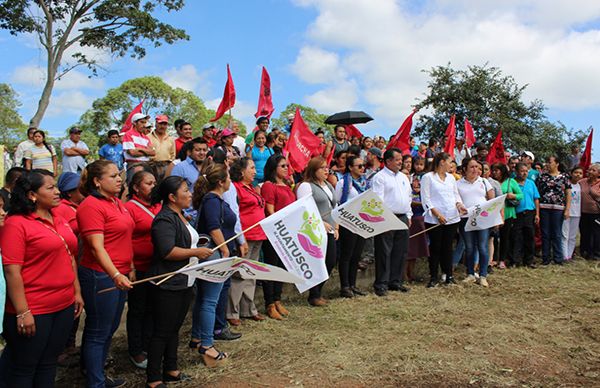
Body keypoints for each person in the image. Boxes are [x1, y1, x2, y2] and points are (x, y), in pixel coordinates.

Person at [0, 169, 83, 386]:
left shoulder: (58, 217)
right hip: (35, 309)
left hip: (63, 305)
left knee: (48, 363)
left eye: (56, 187)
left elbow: (70, 255)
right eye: (50, 188)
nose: (57, 192)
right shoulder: (16, 223)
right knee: (25, 367)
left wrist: (76, 292)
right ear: (32, 195)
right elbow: (12, 270)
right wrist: (22, 311)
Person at [145, 176, 214, 386]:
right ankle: (154, 378)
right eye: (186, 190)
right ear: (172, 197)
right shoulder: (164, 219)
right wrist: (197, 252)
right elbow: (168, 251)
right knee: (162, 331)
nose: (190, 193)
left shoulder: (182, 216)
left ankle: (171, 369)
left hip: (185, 280)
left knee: (174, 328)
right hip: (168, 283)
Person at [77, 160, 134, 387]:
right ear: (97, 181)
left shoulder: (116, 203)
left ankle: (98, 374)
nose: (119, 179)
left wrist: (128, 269)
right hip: (100, 275)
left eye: (119, 175)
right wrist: (115, 275)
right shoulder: (91, 206)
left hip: (118, 273)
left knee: (109, 328)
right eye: (112, 176)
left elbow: (123, 239)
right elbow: (96, 247)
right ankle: (95, 382)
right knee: (98, 331)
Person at [189, 165, 238, 367]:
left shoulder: (214, 199)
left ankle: (197, 337)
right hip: (213, 254)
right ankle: (207, 345)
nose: (230, 181)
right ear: (221, 182)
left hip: (214, 252)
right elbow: (213, 227)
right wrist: (225, 250)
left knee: (203, 299)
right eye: (228, 178)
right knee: (210, 300)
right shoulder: (212, 200)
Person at [123, 171, 161, 370]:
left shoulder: (158, 205)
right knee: (137, 308)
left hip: (157, 266)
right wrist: (130, 267)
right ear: (136, 188)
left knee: (152, 307)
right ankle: (135, 350)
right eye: (148, 183)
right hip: (138, 267)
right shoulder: (129, 208)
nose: (153, 186)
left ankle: (148, 344)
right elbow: (125, 239)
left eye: (155, 182)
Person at [227, 158, 266, 324]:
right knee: (239, 274)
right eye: (252, 168)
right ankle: (232, 312)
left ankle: (248, 309)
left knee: (251, 273)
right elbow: (234, 213)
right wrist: (239, 237)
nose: (255, 171)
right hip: (245, 236)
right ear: (241, 171)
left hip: (258, 235)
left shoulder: (251, 188)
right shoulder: (235, 188)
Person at [369, 148, 412, 294]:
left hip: (403, 217)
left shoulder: (403, 177)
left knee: (400, 251)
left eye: (401, 159)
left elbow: (409, 197)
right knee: (384, 252)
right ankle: (381, 283)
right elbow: (377, 201)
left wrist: (409, 215)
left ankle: (396, 281)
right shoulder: (380, 177)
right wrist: (384, 218)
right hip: (387, 217)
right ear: (388, 161)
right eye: (398, 159)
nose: (401, 162)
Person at [421, 152, 468, 287]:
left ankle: (449, 275)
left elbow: (455, 195)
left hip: (451, 217)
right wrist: (437, 214)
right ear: (442, 162)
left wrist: (459, 205)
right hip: (434, 219)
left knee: (448, 247)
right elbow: (426, 199)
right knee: (435, 247)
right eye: (450, 162)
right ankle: (434, 276)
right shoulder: (428, 177)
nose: (451, 165)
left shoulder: (451, 178)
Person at [296, 156, 338, 306]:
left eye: (327, 167)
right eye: (323, 168)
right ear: (314, 170)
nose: (327, 170)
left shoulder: (328, 185)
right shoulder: (306, 186)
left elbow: (335, 207)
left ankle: (318, 292)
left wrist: (336, 225)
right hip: (315, 230)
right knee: (320, 262)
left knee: (331, 261)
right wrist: (320, 223)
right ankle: (314, 295)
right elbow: (304, 209)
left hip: (331, 229)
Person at [261, 155, 295, 319]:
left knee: (282, 267)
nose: (286, 168)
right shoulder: (269, 185)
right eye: (283, 166)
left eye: (287, 165)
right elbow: (270, 210)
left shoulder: (287, 185)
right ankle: (269, 303)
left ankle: (278, 299)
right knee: (271, 268)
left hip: (287, 231)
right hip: (275, 232)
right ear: (274, 167)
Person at [456, 157, 495, 286]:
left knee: (483, 247)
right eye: (472, 167)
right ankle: (470, 273)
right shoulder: (458, 184)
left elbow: (492, 200)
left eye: (477, 167)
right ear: (465, 169)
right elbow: (456, 200)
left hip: (482, 218)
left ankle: (483, 275)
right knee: (469, 247)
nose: (475, 170)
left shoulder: (483, 181)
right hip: (466, 219)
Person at [335, 155, 369, 297]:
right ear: (350, 167)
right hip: (347, 222)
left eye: (363, 166)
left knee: (356, 255)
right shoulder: (343, 183)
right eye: (359, 166)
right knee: (346, 255)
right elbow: (337, 202)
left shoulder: (364, 183)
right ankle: (345, 286)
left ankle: (353, 284)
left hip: (361, 222)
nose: (362, 168)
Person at [537, 155, 571, 265]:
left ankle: (558, 258)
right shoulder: (542, 177)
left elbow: (568, 193)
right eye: (546, 162)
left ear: (557, 164)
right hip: (544, 208)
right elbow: (537, 193)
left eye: (550, 162)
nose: (547, 164)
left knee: (557, 233)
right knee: (545, 233)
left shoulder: (564, 177)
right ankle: (545, 258)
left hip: (558, 209)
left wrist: (567, 209)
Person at [513, 162, 541, 268]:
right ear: (516, 172)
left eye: (526, 171)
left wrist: (537, 214)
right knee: (517, 237)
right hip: (517, 214)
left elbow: (536, 199)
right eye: (522, 171)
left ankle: (529, 260)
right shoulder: (513, 183)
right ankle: (516, 260)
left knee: (529, 237)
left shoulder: (531, 183)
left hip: (530, 213)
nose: (524, 173)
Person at [122, 113, 156, 180]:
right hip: (134, 166)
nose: (144, 125)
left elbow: (153, 153)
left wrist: (139, 149)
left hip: (146, 165)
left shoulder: (146, 138)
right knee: (133, 186)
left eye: (145, 122)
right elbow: (132, 152)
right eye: (142, 122)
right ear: (134, 123)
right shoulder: (128, 135)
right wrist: (146, 151)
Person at [406, 177, 428, 281]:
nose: (417, 184)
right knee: (408, 251)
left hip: (421, 225)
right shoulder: (409, 193)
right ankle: (404, 275)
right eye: (414, 182)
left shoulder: (424, 194)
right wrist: (422, 203)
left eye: (419, 183)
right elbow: (410, 203)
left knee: (415, 251)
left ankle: (411, 274)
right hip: (410, 223)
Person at [579, 163, 600, 260]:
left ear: (598, 174)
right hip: (583, 212)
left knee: (596, 233)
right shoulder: (582, 182)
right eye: (589, 170)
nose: (590, 172)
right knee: (584, 232)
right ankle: (585, 251)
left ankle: (596, 253)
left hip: (596, 213)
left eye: (593, 170)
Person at [55, 172, 85, 237]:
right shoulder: (61, 208)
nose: (84, 191)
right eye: (81, 189)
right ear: (69, 193)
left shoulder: (83, 205)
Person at [562, 166, 582, 261]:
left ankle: (569, 255)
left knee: (573, 236)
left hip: (577, 213)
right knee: (564, 235)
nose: (578, 175)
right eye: (576, 172)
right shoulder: (566, 184)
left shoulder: (580, 185)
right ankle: (564, 255)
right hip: (567, 212)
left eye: (580, 173)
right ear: (571, 173)